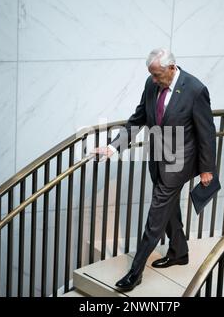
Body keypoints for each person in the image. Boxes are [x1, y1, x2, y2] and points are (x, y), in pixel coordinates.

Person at [93, 48, 217, 291]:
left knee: (155, 217)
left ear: (172, 68)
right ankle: (179, 252)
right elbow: (138, 118)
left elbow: (206, 133)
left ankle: (135, 272)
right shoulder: (151, 85)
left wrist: (207, 168)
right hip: (157, 158)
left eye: (158, 75)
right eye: (151, 75)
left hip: (179, 162)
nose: (154, 80)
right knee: (169, 208)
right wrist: (112, 147)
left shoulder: (195, 89)